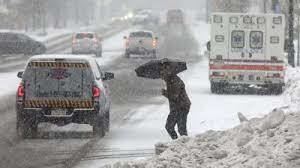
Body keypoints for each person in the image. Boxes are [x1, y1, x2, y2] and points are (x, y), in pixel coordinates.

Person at [160, 64, 191, 140]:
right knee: (170, 127)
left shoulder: (175, 81)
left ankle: (184, 144)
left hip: (182, 106)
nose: (161, 77)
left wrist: (165, 93)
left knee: (181, 129)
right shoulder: (170, 80)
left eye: (162, 74)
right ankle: (177, 143)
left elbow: (174, 96)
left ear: (168, 72)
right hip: (176, 107)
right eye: (161, 74)